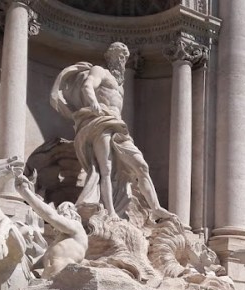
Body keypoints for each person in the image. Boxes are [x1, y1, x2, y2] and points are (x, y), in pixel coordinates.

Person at [50, 43, 171, 221]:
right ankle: (110, 212)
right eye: (118, 55)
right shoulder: (100, 71)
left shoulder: (120, 85)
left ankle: (156, 207)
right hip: (101, 122)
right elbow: (87, 85)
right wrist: (93, 103)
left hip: (118, 127)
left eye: (124, 57)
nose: (121, 60)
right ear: (109, 56)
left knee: (141, 166)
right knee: (105, 169)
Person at [14, 175, 88, 279]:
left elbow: (51, 216)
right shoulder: (59, 242)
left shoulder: (77, 227)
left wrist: (25, 192)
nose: (62, 217)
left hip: (63, 278)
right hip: (47, 280)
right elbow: (36, 263)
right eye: (60, 213)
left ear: (75, 215)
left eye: (64, 213)